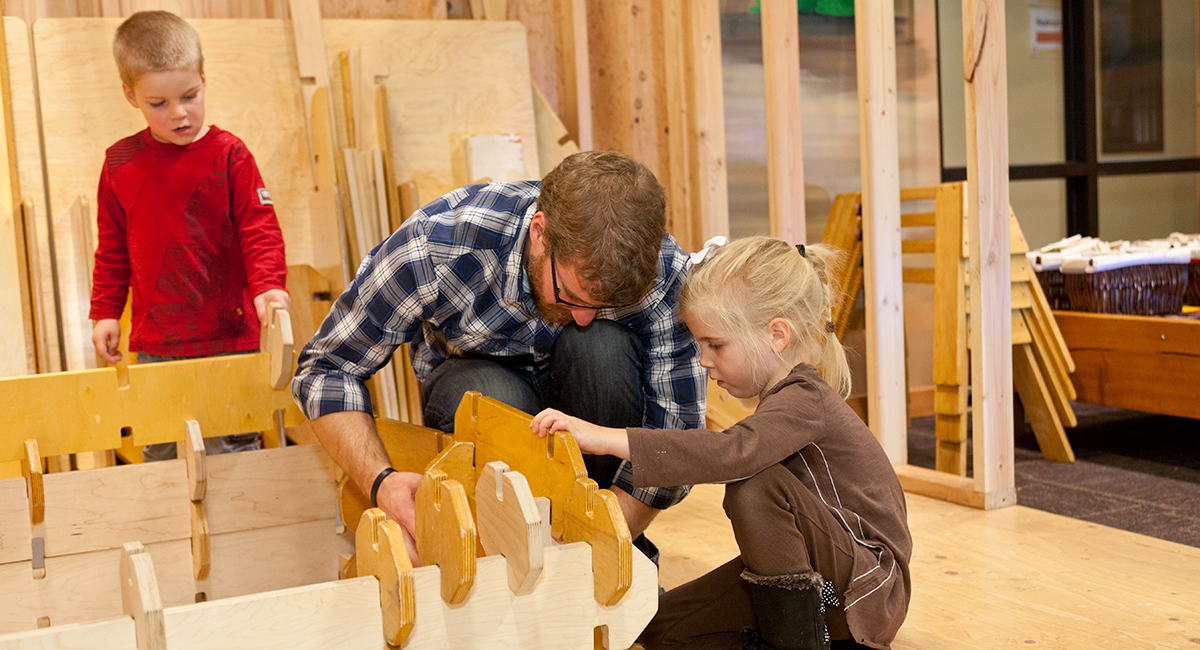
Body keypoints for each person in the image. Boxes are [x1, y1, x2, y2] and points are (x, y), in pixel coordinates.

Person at [291, 150, 706, 564]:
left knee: (600, 347)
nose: (582, 316)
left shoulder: (666, 273)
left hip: (590, 423)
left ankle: (592, 537)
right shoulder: (438, 245)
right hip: (475, 378)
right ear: (540, 233)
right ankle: (502, 551)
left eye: (604, 304)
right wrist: (381, 482)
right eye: (573, 295)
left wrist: (608, 539)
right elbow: (326, 370)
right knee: (494, 398)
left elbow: (678, 439)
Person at [532, 236, 912, 650]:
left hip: (867, 586)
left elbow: (732, 453)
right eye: (700, 345)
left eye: (716, 345)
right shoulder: (780, 400)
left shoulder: (807, 398)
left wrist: (606, 438)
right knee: (661, 630)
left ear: (777, 335)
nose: (704, 360)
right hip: (819, 575)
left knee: (752, 484)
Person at [89, 11, 290, 461]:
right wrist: (105, 311)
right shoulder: (120, 164)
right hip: (156, 344)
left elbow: (260, 228)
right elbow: (113, 248)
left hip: (228, 338)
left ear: (203, 78)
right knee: (160, 456)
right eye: (158, 103)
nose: (179, 113)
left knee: (234, 455)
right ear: (130, 96)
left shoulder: (230, 154)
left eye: (190, 95)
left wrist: (269, 285)